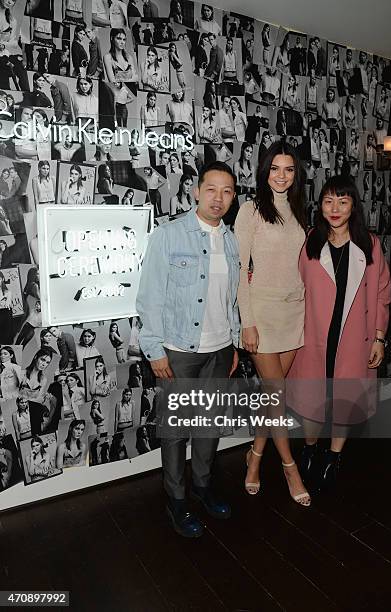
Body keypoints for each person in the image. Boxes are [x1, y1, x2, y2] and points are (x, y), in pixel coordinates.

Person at [136, 161, 240, 538]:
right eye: (211, 189)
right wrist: (154, 349)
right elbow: (149, 298)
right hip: (178, 350)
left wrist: (235, 345)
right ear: (196, 191)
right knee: (177, 431)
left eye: (227, 191)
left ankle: (203, 487)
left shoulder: (230, 240)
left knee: (209, 426)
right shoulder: (169, 235)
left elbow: (230, 301)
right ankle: (177, 500)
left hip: (220, 348)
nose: (219, 198)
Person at [287, 175, 391, 492]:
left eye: (343, 202)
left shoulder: (370, 245)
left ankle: (333, 457)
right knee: (311, 399)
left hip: (354, 339)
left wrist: (378, 337)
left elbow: (382, 293)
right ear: (320, 206)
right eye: (329, 201)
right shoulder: (309, 243)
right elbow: (292, 288)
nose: (335, 208)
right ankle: (309, 447)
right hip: (314, 338)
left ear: (352, 207)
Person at [234, 141, 310, 506]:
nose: (281, 176)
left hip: (294, 313)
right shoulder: (250, 211)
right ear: (264, 171)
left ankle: (254, 458)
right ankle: (289, 466)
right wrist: (246, 323)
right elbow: (238, 270)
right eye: (275, 169)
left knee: (272, 397)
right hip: (261, 316)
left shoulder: (298, 210)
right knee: (276, 396)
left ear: (296, 175)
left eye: (289, 169)